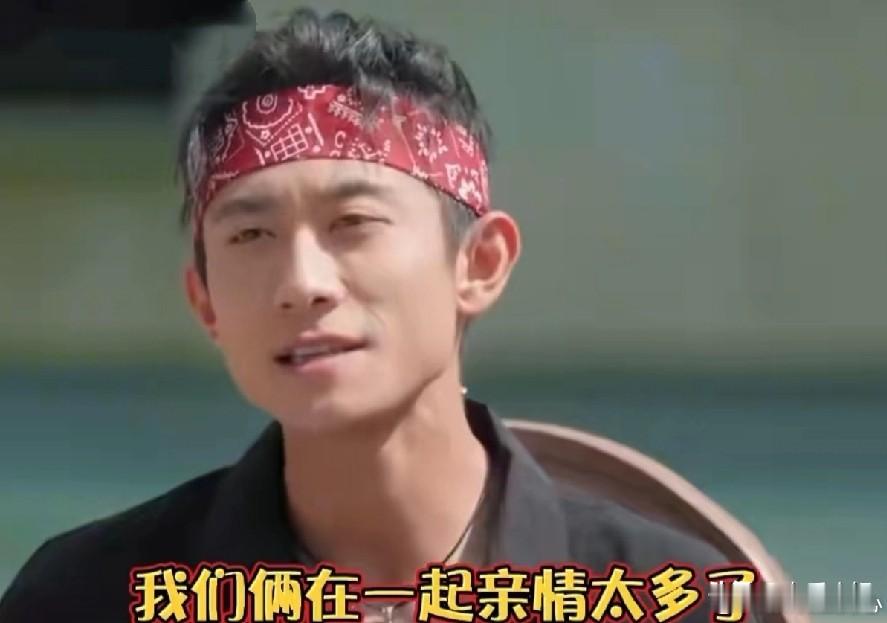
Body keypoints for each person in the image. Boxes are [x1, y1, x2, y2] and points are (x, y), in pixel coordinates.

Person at [0, 7, 730, 622]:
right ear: (206, 303)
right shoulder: (87, 597)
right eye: (251, 235)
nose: (302, 283)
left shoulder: (670, 597)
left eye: (352, 222)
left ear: (478, 263)